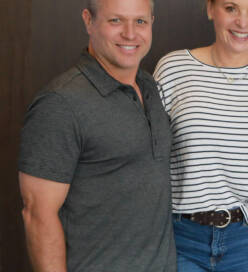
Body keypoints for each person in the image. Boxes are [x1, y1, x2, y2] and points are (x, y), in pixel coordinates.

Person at [17, 0, 176, 271]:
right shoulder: (60, 104)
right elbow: (37, 215)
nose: (130, 33)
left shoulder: (149, 85)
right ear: (88, 20)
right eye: (115, 20)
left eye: (140, 21)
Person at [152, 0, 248, 271]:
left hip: (247, 238)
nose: (242, 22)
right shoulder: (173, 68)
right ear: (210, 9)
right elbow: (149, 154)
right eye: (231, 8)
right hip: (183, 235)